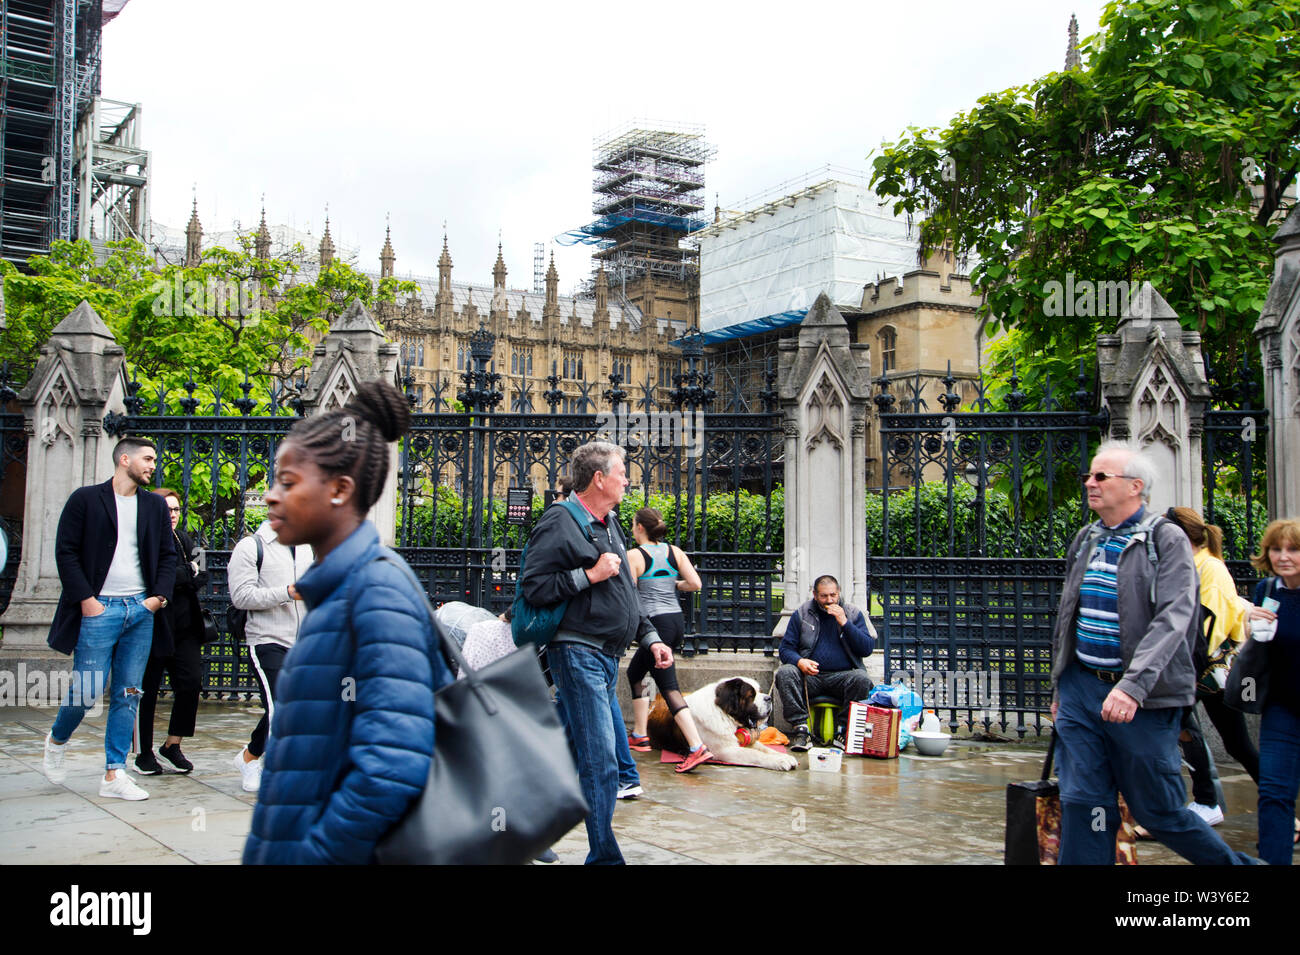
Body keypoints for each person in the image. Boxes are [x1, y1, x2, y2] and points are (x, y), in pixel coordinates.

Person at [242, 380, 451, 864]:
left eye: (289, 483)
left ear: (339, 489)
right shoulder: (337, 590)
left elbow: (392, 766)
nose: (271, 497)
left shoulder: (375, 589)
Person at [1049, 441, 1255, 864]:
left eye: (1101, 477)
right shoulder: (1085, 539)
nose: (1090, 483)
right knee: (1085, 803)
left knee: (1158, 811)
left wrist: (1133, 686)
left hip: (1143, 699)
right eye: (1089, 475)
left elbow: (1174, 619)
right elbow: (1068, 613)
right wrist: (1060, 687)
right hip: (1081, 690)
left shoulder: (1167, 540)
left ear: (1135, 487)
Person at [519, 441, 671, 865]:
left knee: (568, 751)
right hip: (577, 653)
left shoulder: (609, 523)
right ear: (599, 478)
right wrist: (588, 575)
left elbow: (626, 592)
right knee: (602, 760)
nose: (628, 478)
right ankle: (604, 857)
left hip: (606, 658)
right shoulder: (559, 522)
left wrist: (652, 636)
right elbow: (535, 587)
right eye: (621, 472)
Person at [42, 437, 177, 801]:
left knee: (129, 693)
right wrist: (86, 600)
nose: (152, 465)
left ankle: (113, 772)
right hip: (98, 609)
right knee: (86, 691)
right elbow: (65, 552)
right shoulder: (85, 499)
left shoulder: (153, 506)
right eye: (147, 458)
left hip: (140, 611)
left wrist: (156, 599)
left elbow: (168, 556)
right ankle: (57, 739)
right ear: (124, 459)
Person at [1162, 507, 1258, 827]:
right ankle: (1204, 801)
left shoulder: (1210, 570)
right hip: (1198, 671)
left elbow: (1208, 628)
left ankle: (1271, 801)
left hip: (1206, 671)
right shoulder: (1192, 565)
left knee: (1235, 743)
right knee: (1192, 733)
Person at [227, 516, 313, 792]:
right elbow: (241, 596)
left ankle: (249, 757)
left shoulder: (307, 547)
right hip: (267, 639)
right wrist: (287, 592)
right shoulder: (251, 547)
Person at [624, 507, 713, 773]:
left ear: (640, 527)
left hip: (655, 626)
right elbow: (695, 583)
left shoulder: (634, 556)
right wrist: (674, 585)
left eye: (632, 524)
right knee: (635, 672)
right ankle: (640, 734)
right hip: (675, 621)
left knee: (669, 687)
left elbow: (629, 593)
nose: (631, 528)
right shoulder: (675, 551)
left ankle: (696, 746)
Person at [135, 489, 208, 775]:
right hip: (153, 628)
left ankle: (172, 744)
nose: (173, 515)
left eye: (177, 510)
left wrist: (182, 573)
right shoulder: (144, 540)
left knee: (191, 683)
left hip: (185, 628)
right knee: (147, 692)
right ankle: (143, 753)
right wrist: (183, 572)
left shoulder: (186, 538)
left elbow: (202, 574)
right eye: (167, 510)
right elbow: (151, 577)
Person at [1245, 518, 1300, 866]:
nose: (1284, 556)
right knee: (1274, 794)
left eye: (1293, 549)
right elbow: (1256, 649)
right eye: (1276, 549)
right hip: (1281, 707)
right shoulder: (1267, 590)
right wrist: (1251, 624)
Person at [775, 575, 875, 752]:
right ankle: (801, 729)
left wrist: (845, 623)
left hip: (842, 678)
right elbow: (785, 649)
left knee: (861, 678)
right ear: (814, 594)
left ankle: (843, 731)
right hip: (810, 677)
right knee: (785, 672)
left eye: (833, 595)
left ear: (839, 593)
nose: (829, 600)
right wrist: (799, 661)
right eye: (823, 596)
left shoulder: (852, 613)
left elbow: (866, 648)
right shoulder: (803, 613)